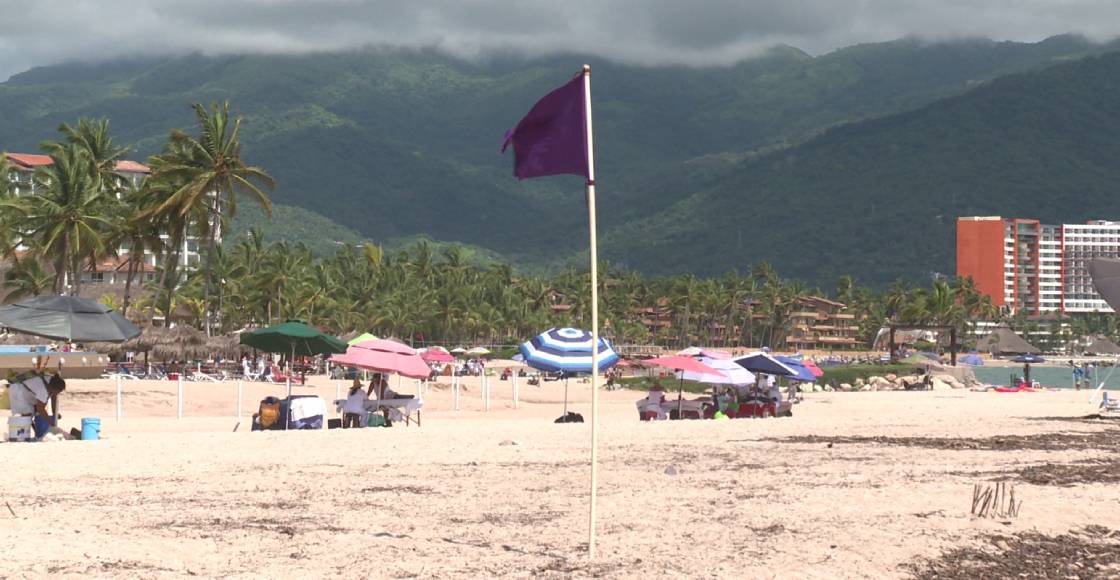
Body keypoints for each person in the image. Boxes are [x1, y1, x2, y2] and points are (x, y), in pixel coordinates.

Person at [9, 373, 66, 439]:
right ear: (53, 388)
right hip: (18, 391)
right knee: (27, 415)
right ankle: (24, 436)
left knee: (34, 413)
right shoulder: (43, 390)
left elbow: (54, 398)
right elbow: (40, 408)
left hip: (29, 392)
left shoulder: (52, 381)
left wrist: (54, 414)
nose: (58, 393)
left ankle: (36, 433)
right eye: (58, 391)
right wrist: (51, 423)